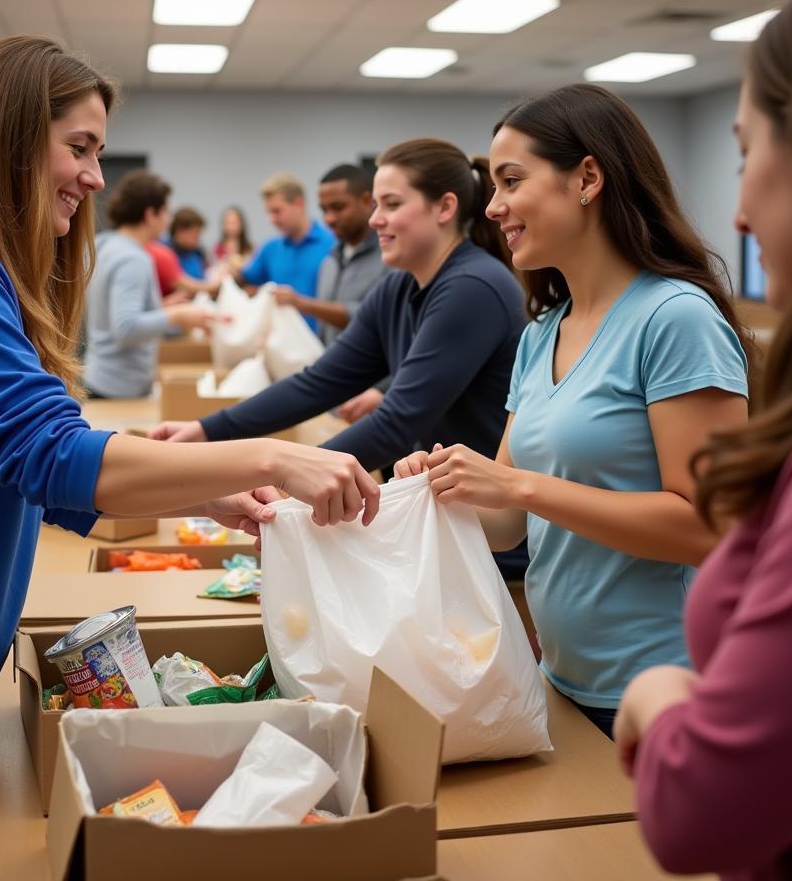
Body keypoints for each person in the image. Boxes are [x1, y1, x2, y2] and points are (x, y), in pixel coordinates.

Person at [0, 36, 379, 881]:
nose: (96, 177)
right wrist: (274, 458)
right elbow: (47, 455)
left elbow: (2, 457)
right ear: (7, 138)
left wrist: (207, 496)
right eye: (79, 147)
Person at [396, 84, 752, 737]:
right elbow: (507, 524)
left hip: (667, 687)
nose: (495, 206)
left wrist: (520, 484)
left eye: (511, 180)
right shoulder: (541, 335)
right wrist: (446, 485)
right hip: (560, 677)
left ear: (587, 177)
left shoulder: (675, 319)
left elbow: (710, 525)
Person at [614, 0, 792, 879]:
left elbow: (704, 813)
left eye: (746, 152)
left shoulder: (675, 316)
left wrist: (659, 694)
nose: (737, 209)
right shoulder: (542, 321)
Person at [151, 137, 531, 576]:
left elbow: (396, 422)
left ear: (444, 208)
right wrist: (204, 430)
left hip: (491, 546)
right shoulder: (398, 287)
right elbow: (319, 382)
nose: (375, 220)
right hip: (443, 526)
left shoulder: (473, 287)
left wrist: (283, 478)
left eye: (390, 204)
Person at [84, 171, 217, 399]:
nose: (168, 220)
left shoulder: (103, 244)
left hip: (99, 377)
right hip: (118, 388)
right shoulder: (133, 258)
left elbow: (113, 311)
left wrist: (162, 308)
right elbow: (125, 328)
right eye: (165, 212)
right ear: (150, 214)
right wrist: (177, 315)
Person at [275, 163, 391, 423]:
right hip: (336, 396)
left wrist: (301, 303)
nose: (329, 218)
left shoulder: (390, 258)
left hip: (375, 400)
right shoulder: (330, 260)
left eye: (338, 207)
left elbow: (365, 316)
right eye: (325, 210)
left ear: (366, 201)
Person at [238, 172, 334, 331]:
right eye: (268, 212)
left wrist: (299, 301)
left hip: (323, 346)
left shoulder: (332, 245)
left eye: (277, 211)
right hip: (282, 345)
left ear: (299, 204)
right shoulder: (270, 249)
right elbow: (244, 279)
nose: (272, 219)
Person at [167, 206, 209, 280]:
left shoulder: (198, 252)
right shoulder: (167, 254)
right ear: (180, 231)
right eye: (195, 234)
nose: (197, 239)